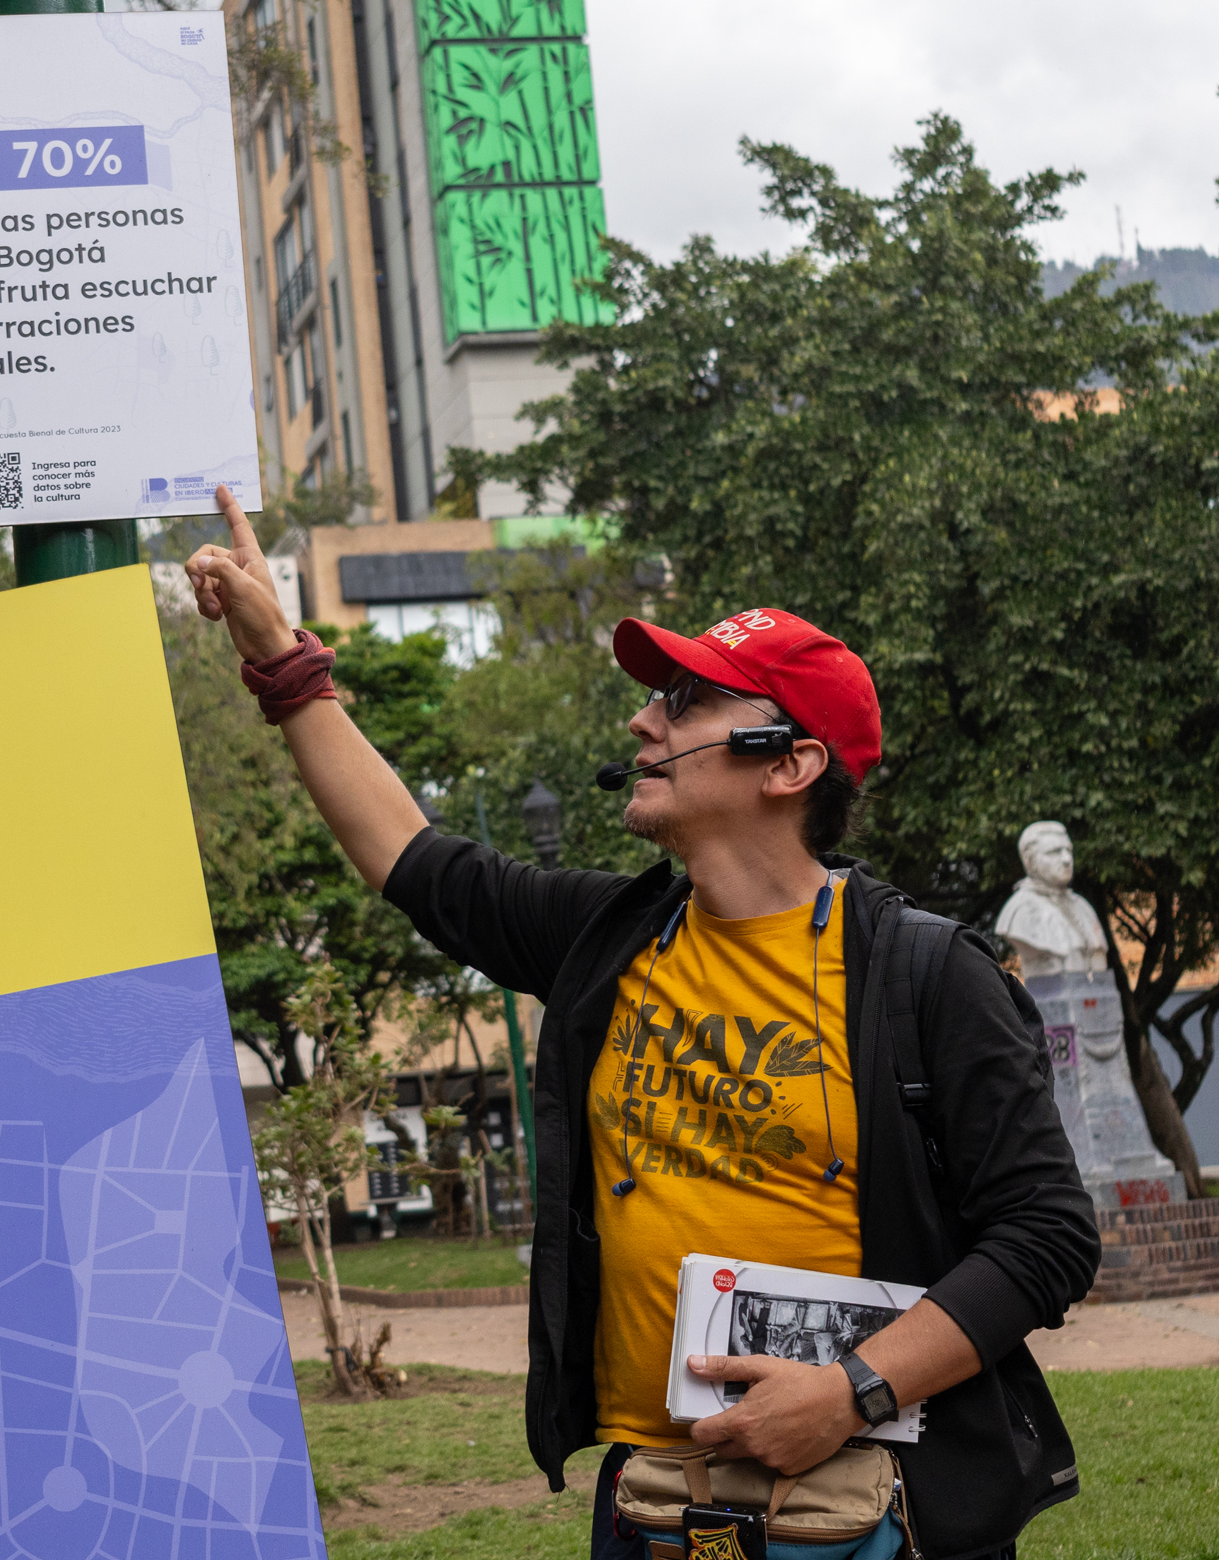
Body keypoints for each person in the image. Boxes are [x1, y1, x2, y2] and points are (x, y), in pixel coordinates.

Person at [185, 491, 1101, 1560]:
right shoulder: (611, 938)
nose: (642, 720)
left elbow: (1045, 1236)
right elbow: (416, 861)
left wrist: (850, 1391)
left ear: (789, 762)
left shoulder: (928, 974)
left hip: (872, 1508)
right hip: (655, 1504)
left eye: (683, 699)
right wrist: (283, 662)